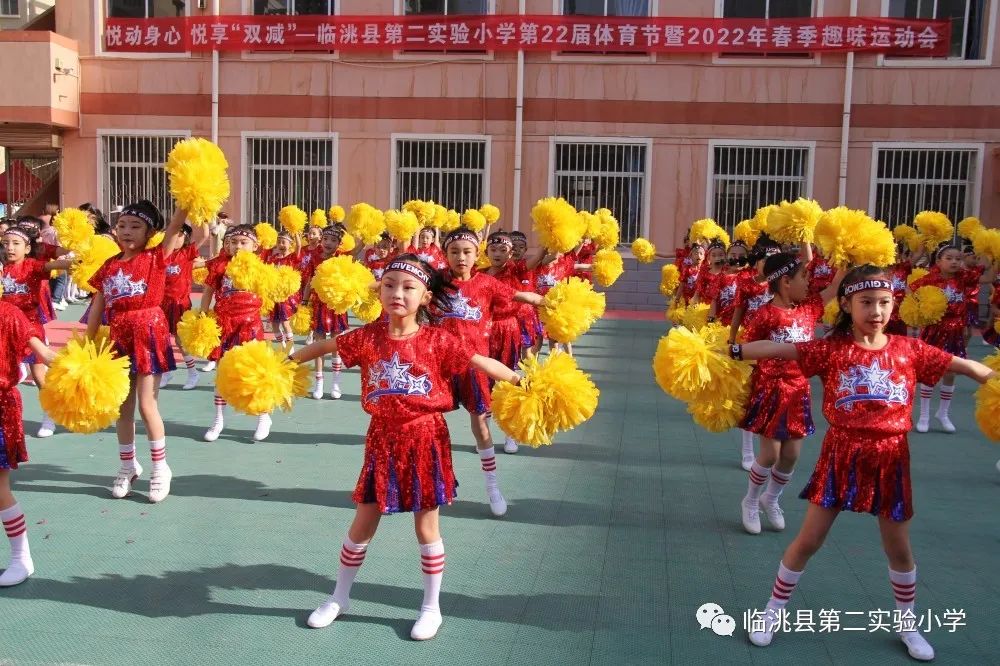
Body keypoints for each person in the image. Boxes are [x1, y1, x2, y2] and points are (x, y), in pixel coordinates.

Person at [732, 265, 996, 661]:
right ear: (846, 305)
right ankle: (772, 613)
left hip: (891, 458)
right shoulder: (831, 349)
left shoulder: (909, 349)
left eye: (884, 302)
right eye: (866, 302)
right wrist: (733, 350)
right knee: (808, 541)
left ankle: (907, 623)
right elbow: (777, 348)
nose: (876, 311)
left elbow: (966, 367)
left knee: (899, 549)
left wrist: (993, 377)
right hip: (841, 454)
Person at [290, 255, 523, 640]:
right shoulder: (367, 337)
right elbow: (327, 344)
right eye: (389, 285)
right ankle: (339, 597)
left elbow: (481, 361)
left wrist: (520, 381)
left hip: (426, 439)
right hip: (381, 438)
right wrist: (287, 361)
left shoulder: (439, 340)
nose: (397, 293)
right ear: (379, 290)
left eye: (408, 287)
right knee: (363, 520)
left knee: (426, 525)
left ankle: (431, 608)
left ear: (426, 297)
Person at [85, 200, 191, 503]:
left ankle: (160, 468)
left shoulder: (156, 257)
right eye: (122, 225)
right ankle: (128, 465)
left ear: (150, 233)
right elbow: (98, 305)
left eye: (135, 226)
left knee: (147, 405)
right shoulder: (109, 265)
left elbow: (175, 225)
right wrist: (88, 344)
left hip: (149, 332)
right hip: (119, 337)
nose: (127, 231)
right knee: (123, 407)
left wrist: (187, 199)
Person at [437, 228, 543, 515]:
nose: (461, 257)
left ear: (476, 254)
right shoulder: (436, 281)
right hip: (439, 365)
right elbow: (397, 282)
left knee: (480, 424)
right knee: (430, 425)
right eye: (454, 251)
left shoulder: (486, 283)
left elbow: (523, 296)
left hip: (476, 365)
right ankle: (435, 480)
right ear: (445, 254)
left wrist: (551, 302)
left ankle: (492, 486)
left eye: (467, 252)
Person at [738, 250, 843, 535]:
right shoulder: (764, 314)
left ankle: (771, 498)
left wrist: (846, 255)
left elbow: (835, 287)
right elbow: (749, 349)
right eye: (804, 277)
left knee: (792, 454)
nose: (809, 282)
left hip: (798, 390)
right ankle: (750, 500)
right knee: (770, 454)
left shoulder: (809, 308)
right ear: (786, 281)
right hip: (770, 389)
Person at [199, 224, 273, 442]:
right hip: (224, 323)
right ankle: (218, 420)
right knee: (221, 372)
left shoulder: (260, 266)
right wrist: (203, 316)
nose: (238, 246)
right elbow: (208, 292)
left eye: (243, 242)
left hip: (250, 325)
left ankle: (263, 415)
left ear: (255, 246)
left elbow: (269, 292)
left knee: (254, 371)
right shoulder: (220, 266)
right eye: (233, 242)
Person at [0, 300, 55, 586]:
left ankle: (21, 558)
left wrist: (82, 369)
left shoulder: (8, 314)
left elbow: (44, 353)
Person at [908, 244, 990, 433]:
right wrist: (921, 311)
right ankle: (924, 416)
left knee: (951, 372)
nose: (954, 262)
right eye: (949, 258)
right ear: (938, 261)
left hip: (955, 332)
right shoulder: (929, 280)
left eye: (958, 259)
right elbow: (911, 293)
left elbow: (988, 277)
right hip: (934, 331)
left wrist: (989, 252)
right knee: (929, 372)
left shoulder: (964, 277)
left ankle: (943, 414)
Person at [0, 225, 72, 437]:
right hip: (7, 330)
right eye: (6, 244)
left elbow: (55, 264)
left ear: (27, 248)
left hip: (31, 329)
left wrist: (76, 262)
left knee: (40, 377)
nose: (10, 248)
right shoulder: (4, 269)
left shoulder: (32, 266)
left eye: (16, 244)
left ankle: (49, 418)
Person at [159, 223, 209, 390]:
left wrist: (204, 218)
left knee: (180, 341)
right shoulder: (162, 254)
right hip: (161, 304)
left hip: (180, 304)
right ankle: (166, 372)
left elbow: (204, 236)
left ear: (186, 237)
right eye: (172, 234)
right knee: (162, 340)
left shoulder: (187, 253)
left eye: (180, 235)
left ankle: (193, 373)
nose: (175, 238)